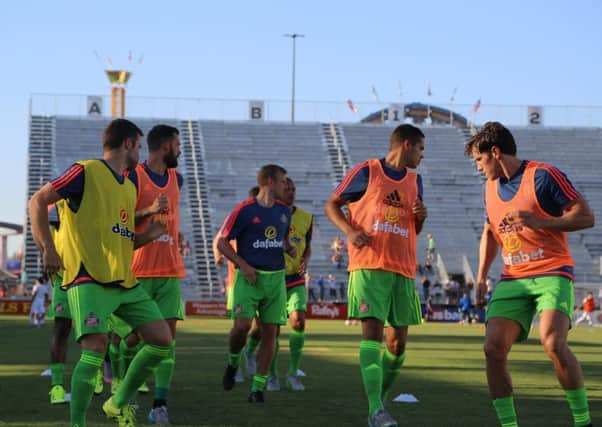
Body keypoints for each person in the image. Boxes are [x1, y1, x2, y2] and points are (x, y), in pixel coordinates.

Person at [28, 118, 173, 427]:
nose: (140, 156)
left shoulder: (128, 185)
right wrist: (48, 249)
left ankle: (116, 404)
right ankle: (77, 424)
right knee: (95, 348)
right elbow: (37, 201)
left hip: (124, 280)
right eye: (138, 146)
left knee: (161, 340)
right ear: (130, 144)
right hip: (88, 277)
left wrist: (149, 235)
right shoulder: (85, 170)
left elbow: (122, 240)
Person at [466, 121, 595, 427]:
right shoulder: (488, 188)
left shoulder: (543, 176)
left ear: (495, 152)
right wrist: (482, 276)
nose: (478, 168)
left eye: (480, 160)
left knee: (552, 342)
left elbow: (586, 216)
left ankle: (583, 421)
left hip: (552, 271)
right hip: (513, 278)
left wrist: (542, 222)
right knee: (493, 348)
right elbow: (489, 231)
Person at [324, 124, 427, 427]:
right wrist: (350, 230)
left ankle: (377, 400)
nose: (422, 155)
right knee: (373, 337)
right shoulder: (367, 172)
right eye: (420, 148)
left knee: (397, 346)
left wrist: (421, 219)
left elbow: (413, 228)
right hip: (369, 265)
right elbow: (332, 204)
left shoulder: (415, 180)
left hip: (403, 268)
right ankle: (375, 411)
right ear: (406, 144)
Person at [122, 124, 186, 425]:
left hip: (170, 270)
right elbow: (118, 217)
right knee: (132, 340)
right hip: (139, 269)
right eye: (177, 144)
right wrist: (147, 210)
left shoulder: (178, 179)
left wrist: (177, 235)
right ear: (164, 146)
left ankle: (160, 403)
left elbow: (172, 218)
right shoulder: (133, 176)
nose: (180, 149)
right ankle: (123, 388)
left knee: (168, 341)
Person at [218, 164, 296, 403]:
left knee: (269, 332)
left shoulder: (285, 211)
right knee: (241, 328)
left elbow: (281, 237)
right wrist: (243, 265)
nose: (288, 186)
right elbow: (222, 243)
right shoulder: (244, 210)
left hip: (275, 279)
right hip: (249, 278)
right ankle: (232, 362)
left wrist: (289, 247)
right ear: (270, 182)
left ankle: (258, 388)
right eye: (284, 181)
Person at [266, 177, 313, 392]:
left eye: (294, 189)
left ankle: (293, 373)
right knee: (273, 329)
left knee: (299, 321)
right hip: (273, 278)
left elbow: (308, 245)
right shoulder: (269, 214)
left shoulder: (306, 218)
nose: (291, 192)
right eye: (287, 189)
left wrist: (305, 261)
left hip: (295, 279)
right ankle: (272, 374)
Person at [213, 186, 260, 383]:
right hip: (238, 281)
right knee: (240, 326)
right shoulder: (240, 215)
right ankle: (235, 363)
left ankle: (249, 352)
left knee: (262, 328)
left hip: (263, 280)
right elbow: (219, 239)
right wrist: (218, 257)